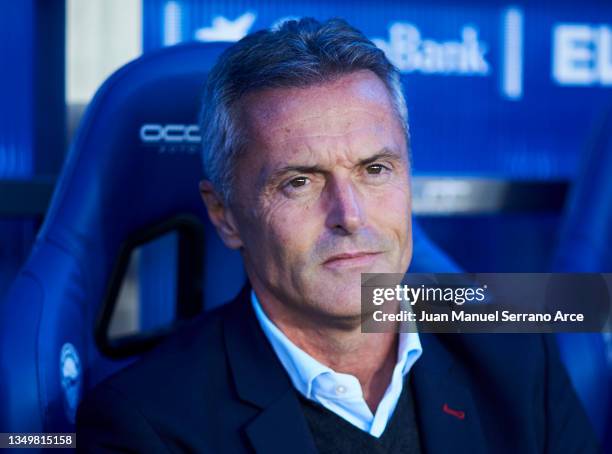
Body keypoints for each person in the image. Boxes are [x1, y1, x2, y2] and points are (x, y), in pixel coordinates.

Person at [76, 18, 599, 453]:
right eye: (299, 181)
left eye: (375, 170)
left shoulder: (517, 354)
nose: (349, 215)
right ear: (225, 216)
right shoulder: (145, 425)